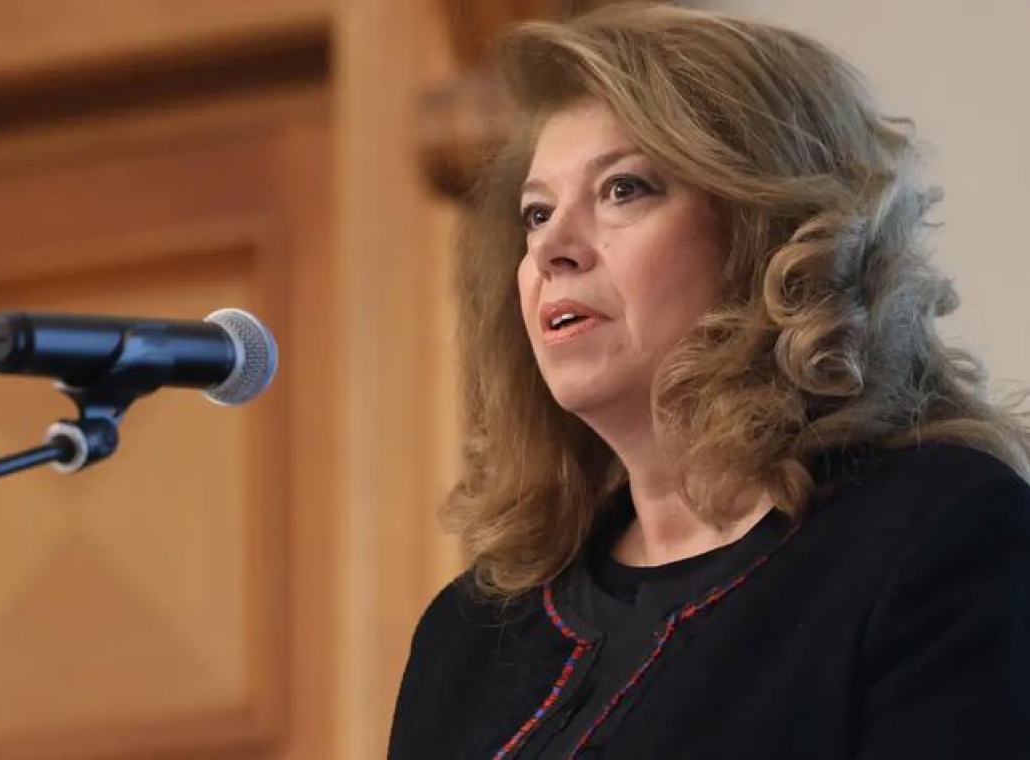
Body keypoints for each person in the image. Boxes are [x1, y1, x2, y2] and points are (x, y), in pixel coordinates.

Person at [388, 3, 1030, 759]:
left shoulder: (939, 536)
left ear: (770, 232)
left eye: (623, 189)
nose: (553, 246)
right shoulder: (471, 634)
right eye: (535, 214)